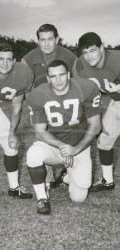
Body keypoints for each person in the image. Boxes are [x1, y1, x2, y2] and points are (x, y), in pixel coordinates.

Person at [26, 60, 101, 215]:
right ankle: (42, 198)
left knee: (79, 198)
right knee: (33, 154)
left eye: (62, 75)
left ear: (68, 74)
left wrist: (75, 149)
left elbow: (96, 126)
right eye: (53, 76)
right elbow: (39, 132)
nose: (58, 80)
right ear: (48, 78)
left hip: (79, 145)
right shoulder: (38, 94)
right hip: (55, 146)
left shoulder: (86, 88)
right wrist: (62, 147)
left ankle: (66, 176)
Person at [21, 23, 78, 193]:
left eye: (50, 39)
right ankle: (46, 182)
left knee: (67, 137)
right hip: (41, 105)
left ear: (57, 39)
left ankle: (69, 172)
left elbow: (77, 84)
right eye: (42, 39)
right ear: (37, 41)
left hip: (65, 104)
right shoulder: (28, 59)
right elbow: (26, 88)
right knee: (42, 139)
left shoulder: (69, 56)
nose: (46, 44)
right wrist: (33, 107)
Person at [74, 32, 120, 192]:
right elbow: (89, 95)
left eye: (92, 50)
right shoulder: (81, 65)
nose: (88, 56)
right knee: (104, 142)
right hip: (117, 102)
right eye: (85, 52)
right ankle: (107, 180)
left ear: (102, 47)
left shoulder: (116, 60)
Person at [0, 42, 34, 199]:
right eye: (0, 59)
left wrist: (12, 133)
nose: (5, 63)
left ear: (14, 61)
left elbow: (17, 107)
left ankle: (14, 188)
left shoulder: (22, 74)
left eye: (9, 59)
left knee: (12, 146)